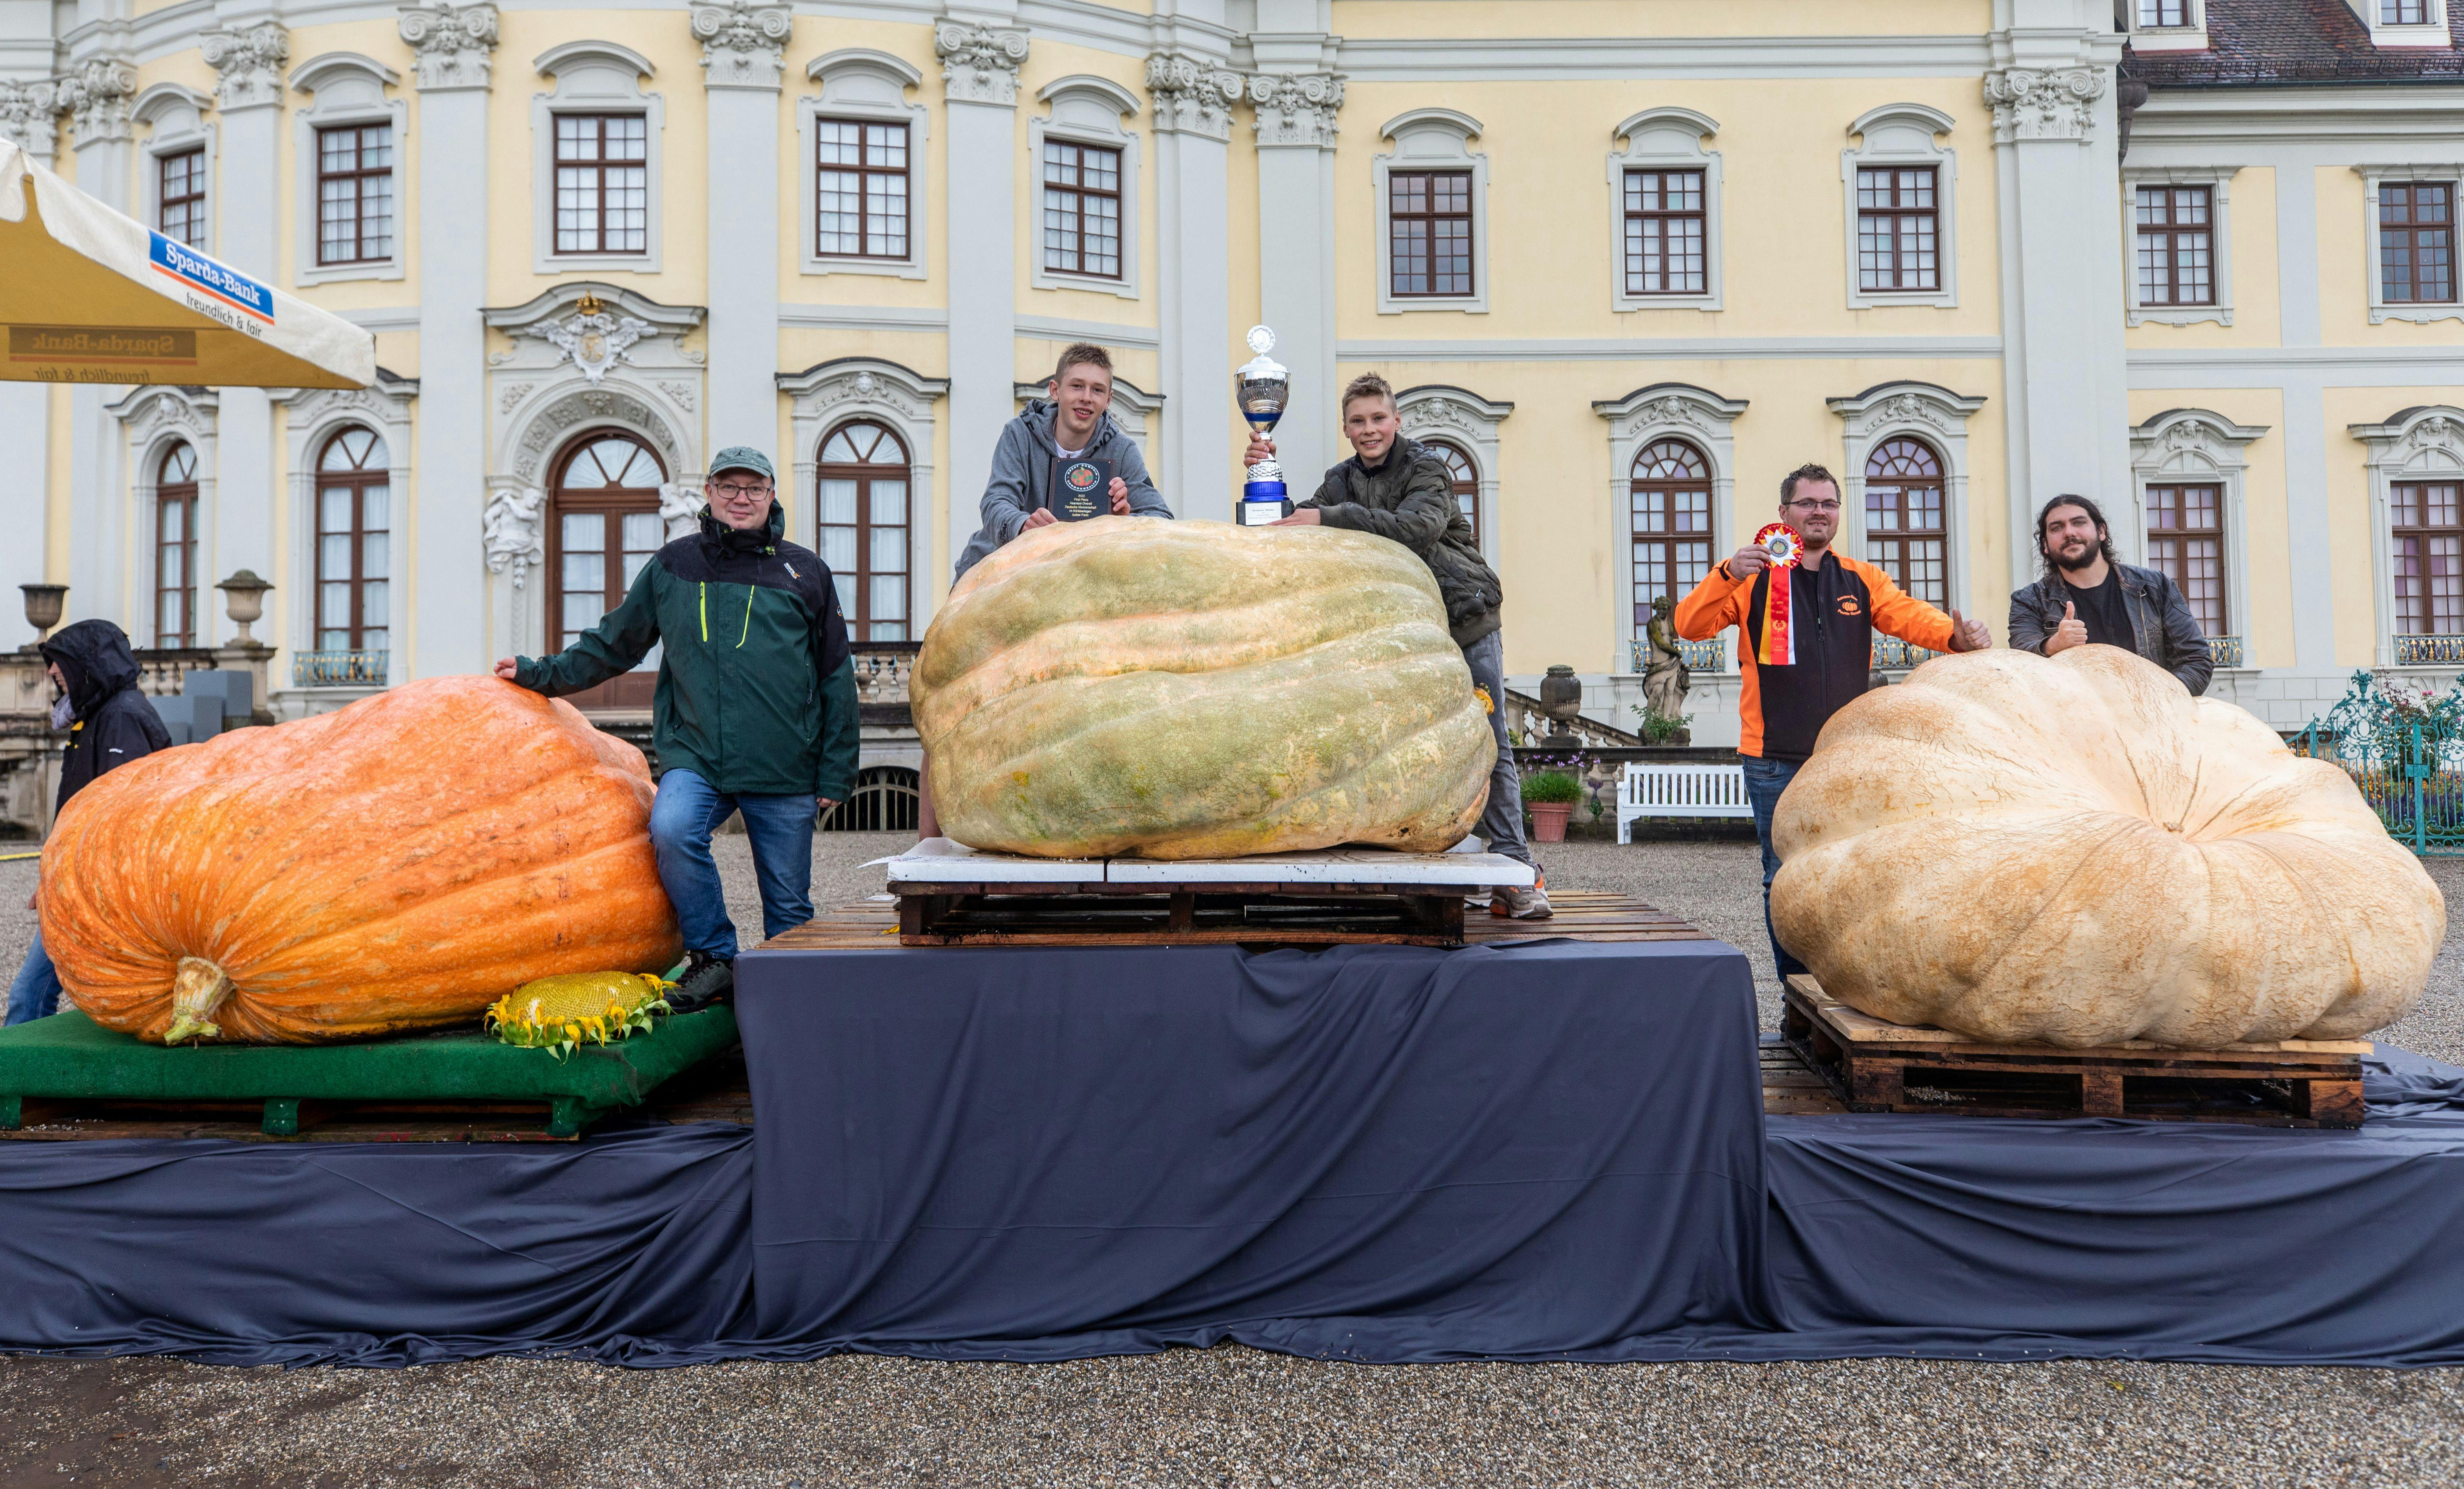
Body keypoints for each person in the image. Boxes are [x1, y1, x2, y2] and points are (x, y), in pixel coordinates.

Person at [496, 446, 858, 1013]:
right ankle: (715, 957)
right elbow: (614, 642)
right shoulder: (673, 567)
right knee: (671, 827)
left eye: (754, 488)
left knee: (788, 905)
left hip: (785, 763)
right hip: (699, 756)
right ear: (709, 494)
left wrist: (837, 770)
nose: (741, 498)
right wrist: (539, 674)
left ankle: (797, 1011)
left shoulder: (804, 571)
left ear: (771, 496)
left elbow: (838, 675)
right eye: (729, 487)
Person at [1249, 371, 1551, 919]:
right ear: (1346, 427)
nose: (1370, 430)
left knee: (1489, 742)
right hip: (1402, 637)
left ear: (1397, 421)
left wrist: (1329, 517)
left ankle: (1519, 870)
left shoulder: (1428, 468)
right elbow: (1303, 526)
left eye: (1378, 419)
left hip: (1464, 621)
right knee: (1415, 750)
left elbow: (1417, 528)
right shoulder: (1340, 481)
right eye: (1358, 421)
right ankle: (1447, 869)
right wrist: (1266, 483)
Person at [1674, 462, 1992, 982]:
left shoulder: (1863, 580)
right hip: (1773, 759)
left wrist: (1955, 638)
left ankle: (1845, 992)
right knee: (1784, 880)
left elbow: (1909, 616)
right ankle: (1798, 999)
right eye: (1807, 503)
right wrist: (1727, 573)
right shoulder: (1750, 577)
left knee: (1857, 877)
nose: (1819, 512)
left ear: (1838, 513)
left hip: (1848, 758)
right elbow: (1689, 626)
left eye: (1828, 504)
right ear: (1783, 514)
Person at [10, 620, 170, 1024]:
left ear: (89, 666)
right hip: (82, 881)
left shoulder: (121, 718)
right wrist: (53, 876)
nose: (51, 672)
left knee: (31, 994)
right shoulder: (102, 715)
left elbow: (122, 812)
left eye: (59, 663)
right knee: (37, 992)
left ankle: (20, 1079)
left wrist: (65, 881)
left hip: (96, 884)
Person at [951, 342, 1173, 580]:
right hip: (999, 570)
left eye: (1097, 390)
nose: (1087, 398)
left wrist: (1123, 524)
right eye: (1077, 387)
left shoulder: (1122, 451)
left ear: (1108, 400)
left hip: (1075, 581)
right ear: (1055, 391)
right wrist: (1023, 524)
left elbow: (1162, 519)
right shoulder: (1019, 434)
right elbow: (995, 503)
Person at [2007, 494, 2214, 696]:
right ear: (2045, 545)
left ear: (2101, 531)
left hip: (2154, 721)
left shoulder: (2154, 586)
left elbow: (2195, 658)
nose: (2069, 533)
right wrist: (2054, 645)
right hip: (2075, 724)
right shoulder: (2028, 601)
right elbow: (2020, 665)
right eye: (2057, 528)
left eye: (2079, 523)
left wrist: (2158, 700)